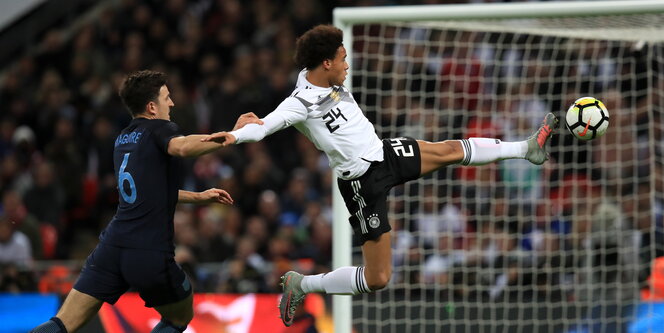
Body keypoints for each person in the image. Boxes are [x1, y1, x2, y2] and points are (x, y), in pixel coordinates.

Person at [202, 25, 558, 327]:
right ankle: (303, 284)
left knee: (449, 150)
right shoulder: (300, 102)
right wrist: (233, 136)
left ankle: (526, 148)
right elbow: (265, 128)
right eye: (342, 59)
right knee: (379, 278)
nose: (347, 64)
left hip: (383, 152)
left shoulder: (328, 78)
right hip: (361, 183)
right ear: (326, 63)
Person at [31, 70, 235, 333]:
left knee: (63, 323)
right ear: (152, 107)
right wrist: (230, 135)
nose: (171, 103)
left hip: (112, 247)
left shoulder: (122, 139)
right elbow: (182, 147)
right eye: (166, 97)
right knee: (179, 316)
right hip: (148, 250)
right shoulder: (161, 128)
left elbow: (147, 192)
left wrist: (198, 196)